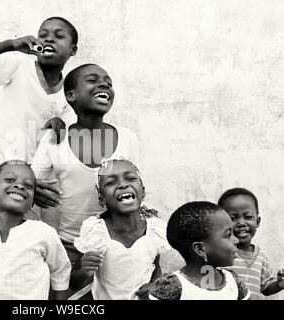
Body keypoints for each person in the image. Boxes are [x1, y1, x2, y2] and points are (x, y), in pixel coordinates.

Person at [31, 63, 141, 297]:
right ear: (70, 95)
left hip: (117, 245)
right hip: (68, 247)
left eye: (109, 83)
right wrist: (35, 191)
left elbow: (135, 191)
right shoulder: (55, 139)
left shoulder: (127, 138)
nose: (104, 85)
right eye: (93, 80)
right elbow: (31, 185)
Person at [0, 17, 78, 196]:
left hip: (25, 178)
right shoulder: (20, 65)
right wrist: (10, 44)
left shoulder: (68, 94)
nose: (49, 39)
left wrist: (60, 125)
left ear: (73, 50)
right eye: (43, 35)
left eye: (59, 36)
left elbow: (63, 139)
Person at [0, 160, 71, 300]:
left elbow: (61, 273)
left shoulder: (44, 233)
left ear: (32, 200)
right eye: (10, 179)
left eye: (28, 185)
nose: (19, 186)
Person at [74, 157, 169, 300]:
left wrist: (155, 284)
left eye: (130, 178)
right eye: (111, 182)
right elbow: (74, 283)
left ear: (142, 191)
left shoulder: (153, 232)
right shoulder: (96, 233)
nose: (123, 185)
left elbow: (155, 266)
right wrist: (84, 271)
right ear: (102, 199)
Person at [149, 201, 250, 300]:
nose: (236, 240)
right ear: (200, 249)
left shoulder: (233, 281)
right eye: (228, 235)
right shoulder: (172, 287)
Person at [218, 187, 284, 299]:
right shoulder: (221, 254)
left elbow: (266, 288)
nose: (241, 223)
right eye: (233, 218)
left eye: (248, 217)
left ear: (257, 221)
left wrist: (280, 284)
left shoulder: (261, 257)